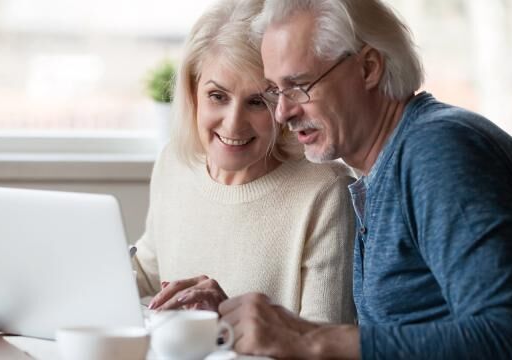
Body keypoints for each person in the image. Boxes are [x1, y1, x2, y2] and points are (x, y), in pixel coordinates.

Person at [218, 0, 512, 358]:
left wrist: (308, 341)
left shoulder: (436, 152)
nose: (283, 112)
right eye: (275, 90)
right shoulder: (387, 164)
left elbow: (505, 337)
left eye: (299, 85)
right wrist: (247, 323)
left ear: (368, 68)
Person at [132, 0, 357, 324]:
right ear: (193, 92)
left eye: (257, 102)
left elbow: (324, 341)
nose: (234, 124)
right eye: (218, 96)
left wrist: (228, 321)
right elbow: (149, 273)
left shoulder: (325, 191)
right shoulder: (174, 164)